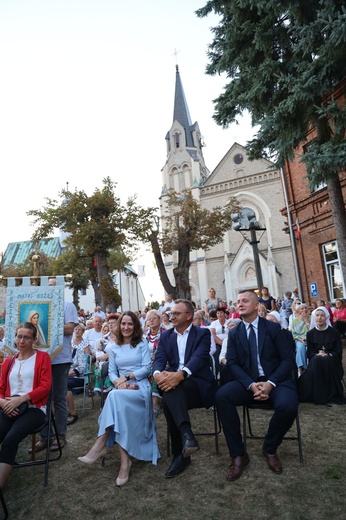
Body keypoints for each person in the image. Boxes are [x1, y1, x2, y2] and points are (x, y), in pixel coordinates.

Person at [216, 290, 298, 481]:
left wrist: (270, 383)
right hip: (248, 383)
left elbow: (288, 359)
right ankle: (238, 454)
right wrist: (251, 385)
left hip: (276, 381)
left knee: (288, 405)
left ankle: (269, 448)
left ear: (255, 305)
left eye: (245, 300)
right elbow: (233, 363)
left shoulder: (273, 328)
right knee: (222, 396)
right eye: (238, 301)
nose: (240, 304)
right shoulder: (235, 333)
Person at [78, 311, 159, 487]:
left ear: (135, 326)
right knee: (116, 398)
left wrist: (128, 378)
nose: (126, 327)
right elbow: (113, 371)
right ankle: (124, 461)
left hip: (140, 387)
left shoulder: (142, 343)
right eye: (123, 324)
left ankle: (101, 444)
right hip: (122, 388)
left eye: (130, 324)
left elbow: (146, 368)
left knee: (114, 397)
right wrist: (118, 382)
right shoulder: (114, 347)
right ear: (119, 325)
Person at [153, 299, 216, 478]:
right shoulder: (166, 336)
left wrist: (181, 374)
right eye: (171, 314)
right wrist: (158, 373)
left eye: (176, 313)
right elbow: (159, 359)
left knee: (169, 395)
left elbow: (199, 358)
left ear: (189, 316)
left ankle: (179, 455)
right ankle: (186, 438)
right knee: (170, 392)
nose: (171, 316)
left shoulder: (202, 334)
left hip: (198, 386)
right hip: (176, 387)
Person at [0, 322, 52, 491]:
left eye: (26, 337)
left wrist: (21, 399)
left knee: (10, 438)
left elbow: (45, 387)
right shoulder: (8, 362)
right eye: (19, 336)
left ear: (34, 339)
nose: (21, 341)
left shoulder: (42, 357)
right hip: (8, 407)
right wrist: (4, 403)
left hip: (34, 409)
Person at [33, 279, 79, 452]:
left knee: (59, 397)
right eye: (48, 287)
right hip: (40, 358)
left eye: (54, 287)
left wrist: (48, 323)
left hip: (60, 358)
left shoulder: (68, 306)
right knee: (41, 398)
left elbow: (69, 329)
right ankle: (45, 436)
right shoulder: (41, 305)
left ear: (60, 289)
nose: (51, 289)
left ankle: (60, 435)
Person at [298, 307, 345, 405]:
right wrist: (317, 354)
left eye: (322, 315)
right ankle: (319, 395)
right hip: (316, 362)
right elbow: (309, 353)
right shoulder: (310, 334)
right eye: (317, 315)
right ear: (314, 317)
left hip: (332, 361)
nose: (319, 318)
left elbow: (338, 352)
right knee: (316, 360)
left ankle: (330, 393)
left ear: (326, 317)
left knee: (326, 359)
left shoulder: (334, 332)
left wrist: (327, 354)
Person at [66, 324, 90, 426]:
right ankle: (56, 413)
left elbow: (82, 368)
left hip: (78, 377)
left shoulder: (78, 351)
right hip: (66, 376)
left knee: (64, 385)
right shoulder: (62, 353)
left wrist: (67, 374)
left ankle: (73, 412)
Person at [93, 314, 119, 399]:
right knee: (102, 370)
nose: (111, 325)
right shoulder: (103, 339)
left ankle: (112, 397)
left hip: (119, 362)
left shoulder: (122, 338)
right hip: (106, 363)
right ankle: (105, 399)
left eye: (113, 323)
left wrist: (110, 355)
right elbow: (99, 354)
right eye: (109, 323)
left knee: (112, 372)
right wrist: (107, 356)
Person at [145, 310, 165, 416]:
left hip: (161, 362)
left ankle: (155, 404)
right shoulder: (144, 335)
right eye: (149, 319)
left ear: (160, 319)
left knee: (154, 371)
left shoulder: (165, 333)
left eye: (154, 318)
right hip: (146, 361)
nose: (151, 320)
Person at [219, 318, 242, 386]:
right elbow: (221, 357)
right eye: (228, 326)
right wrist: (230, 363)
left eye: (232, 326)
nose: (229, 328)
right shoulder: (226, 340)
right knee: (226, 369)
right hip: (230, 364)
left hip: (243, 364)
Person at [291, 304, 311, 376]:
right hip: (299, 339)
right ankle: (300, 368)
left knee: (308, 348)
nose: (304, 310)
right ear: (298, 311)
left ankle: (309, 367)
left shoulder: (312, 318)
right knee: (300, 348)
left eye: (306, 308)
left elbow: (312, 331)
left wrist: (306, 321)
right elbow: (294, 334)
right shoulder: (295, 321)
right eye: (302, 308)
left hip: (310, 339)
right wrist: (300, 340)